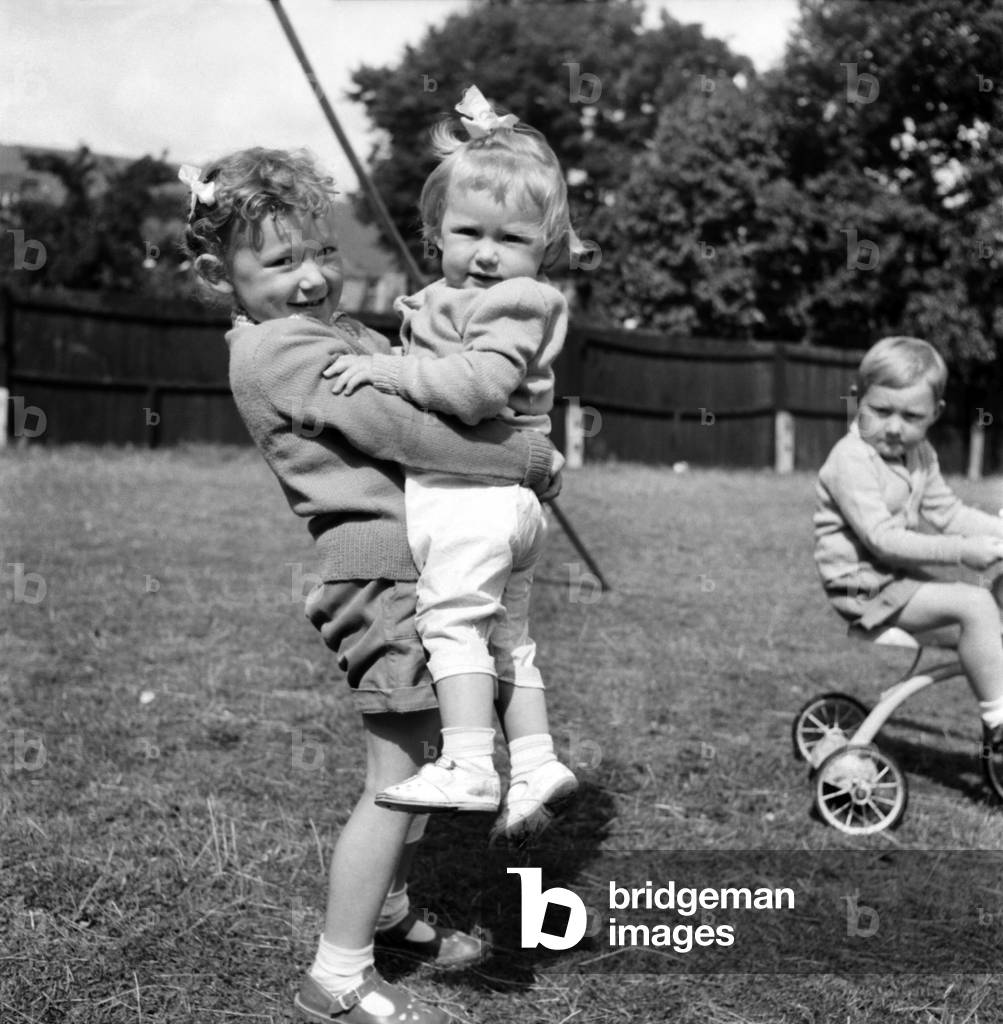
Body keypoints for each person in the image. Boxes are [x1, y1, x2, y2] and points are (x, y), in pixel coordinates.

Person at [180, 147, 561, 1024]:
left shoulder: (329, 332)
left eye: (322, 252)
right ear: (217, 273)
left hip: (411, 565)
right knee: (398, 773)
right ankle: (338, 977)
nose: (312, 278)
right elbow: (407, 432)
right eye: (280, 263)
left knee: (426, 754)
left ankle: (386, 913)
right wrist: (530, 458)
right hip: (378, 574)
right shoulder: (281, 351)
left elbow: (433, 388)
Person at [324, 86, 578, 840]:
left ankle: (469, 761)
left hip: (473, 495)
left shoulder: (512, 303)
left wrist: (390, 375)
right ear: (435, 232)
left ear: (544, 250)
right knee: (507, 639)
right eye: (469, 232)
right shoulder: (454, 297)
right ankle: (534, 762)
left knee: (452, 626)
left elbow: (476, 390)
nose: (488, 253)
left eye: (513, 239)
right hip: (505, 504)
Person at [813, 335, 1003, 766]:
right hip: (862, 586)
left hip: (895, 581)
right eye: (881, 411)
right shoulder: (852, 460)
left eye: (911, 416)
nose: (894, 427)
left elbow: (949, 512)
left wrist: (997, 532)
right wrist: (961, 551)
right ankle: (999, 719)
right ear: (858, 400)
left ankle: (996, 679)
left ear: (934, 414)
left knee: (991, 602)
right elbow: (882, 539)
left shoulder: (920, 454)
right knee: (973, 604)